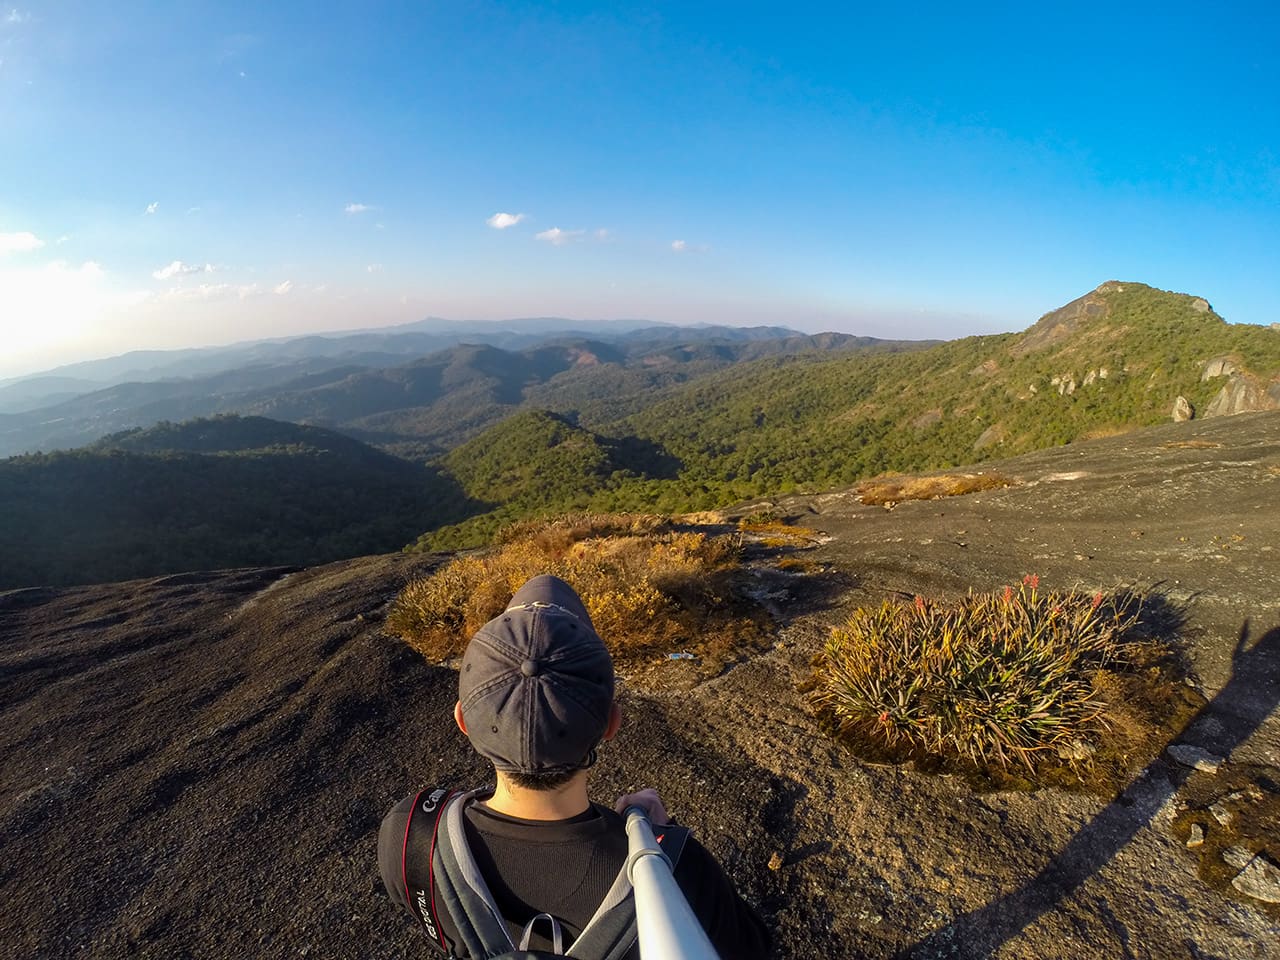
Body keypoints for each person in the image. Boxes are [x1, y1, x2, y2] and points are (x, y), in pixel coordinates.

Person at [378, 574, 772, 959]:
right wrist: (657, 840)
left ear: (463, 721)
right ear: (612, 725)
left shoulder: (410, 835)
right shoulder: (682, 874)